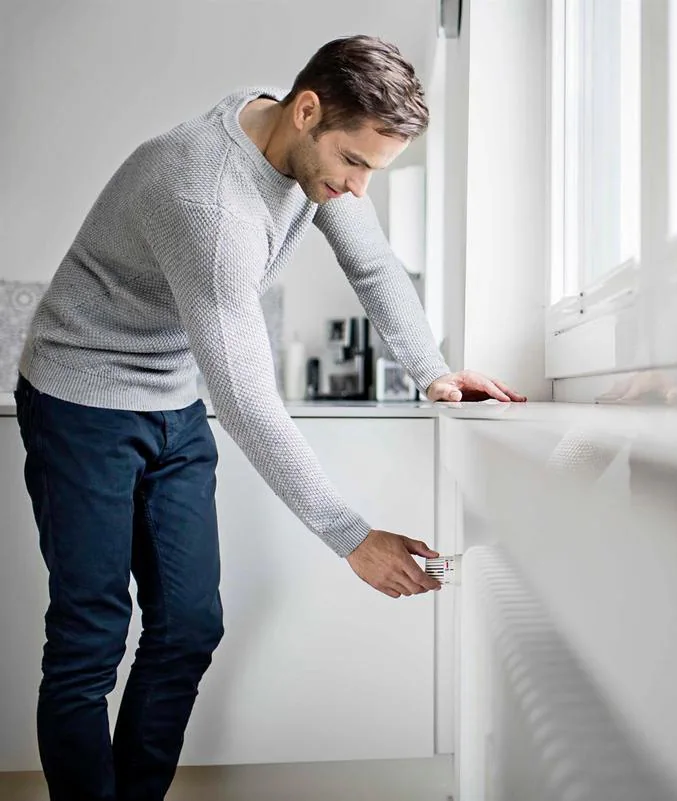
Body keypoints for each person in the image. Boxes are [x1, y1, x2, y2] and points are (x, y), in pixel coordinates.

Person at [13, 34, 524, 801]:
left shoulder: (299, 143)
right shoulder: (210, 202)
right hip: (80, 399)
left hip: (170, 398)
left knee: (188, 626)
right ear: (308, 110)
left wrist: (436, 372)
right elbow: (248, 401)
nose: (357, 188)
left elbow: (375, 265)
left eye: (372, 173)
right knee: (90, 640)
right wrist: (351, 534)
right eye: (354, 163)